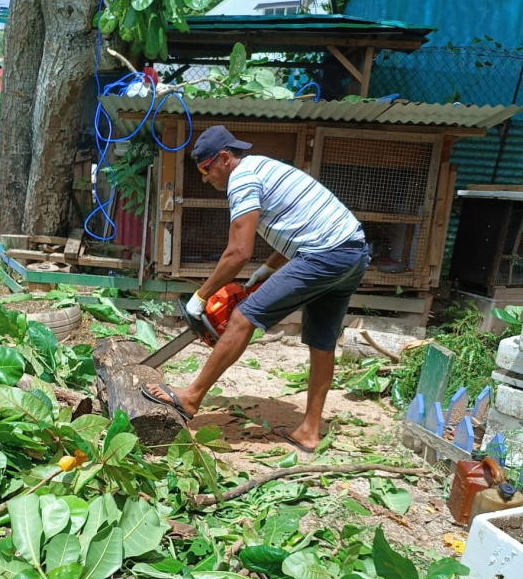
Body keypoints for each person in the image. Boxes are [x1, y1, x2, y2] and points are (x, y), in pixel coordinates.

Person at [142, 124, 369, 453]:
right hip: (352, 252)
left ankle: (190, 398)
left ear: (223, 159)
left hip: (324, 254)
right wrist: (268, 269)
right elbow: (299, 223)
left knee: (242, 317)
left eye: (206, 170)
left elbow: (238, 253)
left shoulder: (242, 179)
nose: (206, 179)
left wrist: (201, 296)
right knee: (321, 340)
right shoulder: (262, 167)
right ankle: (308, 431)